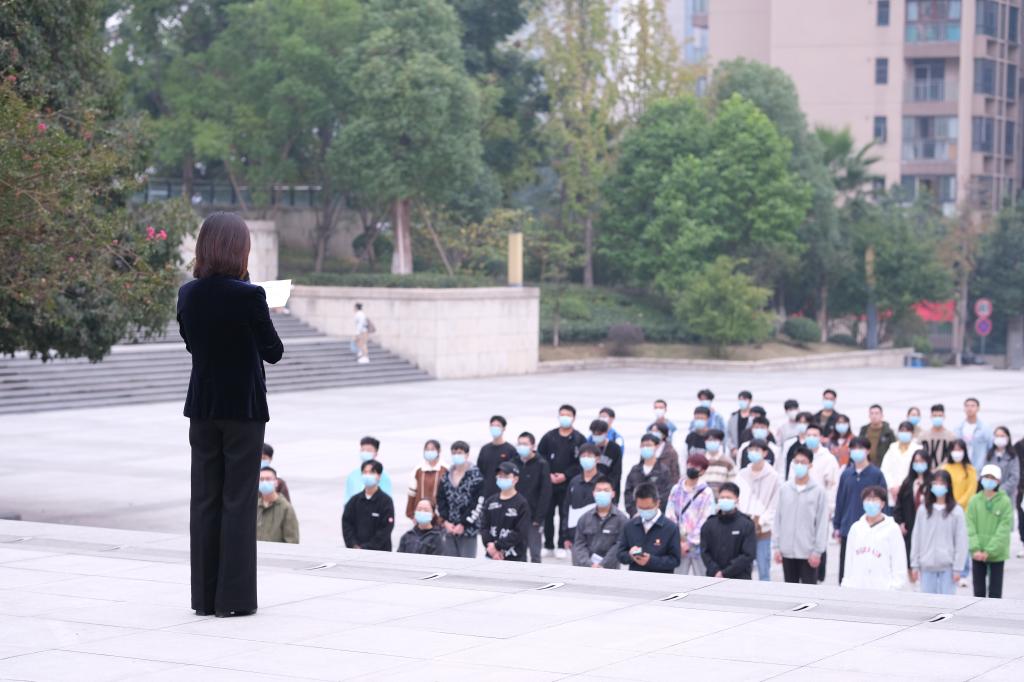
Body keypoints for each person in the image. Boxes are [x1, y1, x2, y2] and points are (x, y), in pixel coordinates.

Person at [178, 212, 284, 618]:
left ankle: (204, 598)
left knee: (204, 499)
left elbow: (192, 345)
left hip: (203, 407)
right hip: (243, 409)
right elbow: (273, 352)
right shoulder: (250, 296)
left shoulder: (188, 294)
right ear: (240, 250)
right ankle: (233, 599)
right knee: (238, 501)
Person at [833, 437, 888, 584]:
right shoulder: (846, 474)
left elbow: (884, 502)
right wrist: (837, 525)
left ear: (868, 451)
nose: (857, 452)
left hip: (872, 530)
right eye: (854, 448)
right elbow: (840, 500)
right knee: (847, 568)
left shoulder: (876, 474)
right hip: (848, 528)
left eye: (860, 448)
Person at [773, 447, 829, 584]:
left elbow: (822, 523)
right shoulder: (785, 489)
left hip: (808, 552)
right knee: (790, 590)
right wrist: (777, 547)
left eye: (803, 462)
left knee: (808, 591)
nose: (799, 465)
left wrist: (818, 551)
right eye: (796, 462)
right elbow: (778, 519)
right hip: (787, 551)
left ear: (810, 465)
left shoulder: (818, 491)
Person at [537, 405, 586, 559]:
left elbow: (580, 463)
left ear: (574, 417)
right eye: (562, 414)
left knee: (565, 514)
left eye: (568, 415)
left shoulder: (579, 439)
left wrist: (566, 475)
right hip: (550, 483)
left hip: (568, 484)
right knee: (548, 514)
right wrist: (548, 474)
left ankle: (561, 544)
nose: (565, 417)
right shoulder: (549, 437)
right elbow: (540, 457)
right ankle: (548, 544)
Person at [910, 469, 967, 595]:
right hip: (926, 566)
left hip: (948, 568)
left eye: (942, 483)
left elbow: (961, 540)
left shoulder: (956, 511)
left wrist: (958, 568)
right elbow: (916, 537)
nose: (938, 486)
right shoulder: (923, 510)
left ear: (948, 486)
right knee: (928, 603)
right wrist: (914, 564)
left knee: (947, 603)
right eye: (935, 483)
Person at [841, 486, 908, 591]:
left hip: (883, 589)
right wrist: (847, 584)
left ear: (882, 504)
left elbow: (899, 560)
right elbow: (849, 560)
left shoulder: (892, 529)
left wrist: (895, 587)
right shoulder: (856, 528)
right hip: (857, 588)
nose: (871, 503)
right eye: (868, 500)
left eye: (875, 500)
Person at [967, 465, 1014, 598]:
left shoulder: (1005, 502)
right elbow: (969, 526)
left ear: (998, 481)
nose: (988, 480)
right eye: (986, 477)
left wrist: (989, 551)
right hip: (977, 553)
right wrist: (975, 548)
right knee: (978, 592)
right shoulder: (974, 501)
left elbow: (1003, 529)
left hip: (996, 554)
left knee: (995, 593)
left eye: (992, 478)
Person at [736, 439, 780, 581]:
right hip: (742, 528)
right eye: (751, 450)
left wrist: (761, 521)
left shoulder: (773, 476)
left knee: (763, 569)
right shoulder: (741, 474)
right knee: (742, 568)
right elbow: (737, 499)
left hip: (763, 530)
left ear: (765, 453)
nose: (753, 453)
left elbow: (775, 505)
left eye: (757, 450)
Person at [666, 454, 716, 576]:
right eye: (690, 464)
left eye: (696, 466)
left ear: (702, 471)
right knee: (677, 578)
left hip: (698, 544)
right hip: (678, 544)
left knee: (702, 578)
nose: (691, 468)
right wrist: (678, 540)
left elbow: (706, 519)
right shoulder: (676, 489)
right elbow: (670, 513)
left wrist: (690, 542)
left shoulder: (706, 492)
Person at [616, 483, 682, 573]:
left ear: (657, 503)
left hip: (661, 578)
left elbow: (675, 560)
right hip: (635, 577)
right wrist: (630, 556)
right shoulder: (630, 526)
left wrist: (651, 560)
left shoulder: (671, 528)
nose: (644, 511)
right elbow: (620, 554)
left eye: (648, 508)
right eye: (640, 508)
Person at [436, 441, 484, 558]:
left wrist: (463, 524)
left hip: (468, 529)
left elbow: (478, 503)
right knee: (450, 562)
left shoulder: (476, 476)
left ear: (467, 454)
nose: (456, 455)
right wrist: (445, 521)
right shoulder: (446, 476)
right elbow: (441, 499)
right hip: (449, 528)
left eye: (459, 452)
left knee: (467, 562)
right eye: (454, 453)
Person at [700, 483, 756, 579]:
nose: (725, 500)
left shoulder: (746, 524)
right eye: (722, 497)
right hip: (714, 577)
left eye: (729, 498)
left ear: (737, 500)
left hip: (740, 578)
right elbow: (704, 551)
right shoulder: (709, 524)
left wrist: (725, 573)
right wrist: (715, 570)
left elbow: (748, 554)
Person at [942, 438, 977, 587]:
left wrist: (958, 504)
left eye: (960, 449)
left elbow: (971, 490)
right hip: (947, 509)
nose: (957, 453)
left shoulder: (970, 469)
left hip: (964, 510)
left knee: (963, 541)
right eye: (954, 449)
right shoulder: (945, 468)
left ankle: (963, 572)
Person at [572, 477, 628, 569]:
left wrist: (603, 565)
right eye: (598, 490)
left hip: (611, 570)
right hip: (586, 568)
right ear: (593, 493)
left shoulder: (622, 519)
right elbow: (579, 544)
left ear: (613, 494)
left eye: (606, 490)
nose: (602, 493)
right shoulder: (584, 519)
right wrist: (589, 564)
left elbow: (619, 545)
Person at [481, 462, 532, 562]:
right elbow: (484, 527)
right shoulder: (490, 501)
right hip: (491, 555)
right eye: (500, 476)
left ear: (515, 479)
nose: (502, 478)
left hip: (515, 557)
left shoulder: (522, 503)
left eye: (506, 476)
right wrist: (491, 546)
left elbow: (520, 532)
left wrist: (498, 546)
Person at [341, 460, 395, 552]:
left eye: (372, 472)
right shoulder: (354, 501)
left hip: (380, 552)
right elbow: (346, 523)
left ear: (379, 476)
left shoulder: (386, 501)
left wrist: (367, 548)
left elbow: (386, 528)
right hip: (355, 552)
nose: (368, 475)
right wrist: (353, 545)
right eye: (365, 472)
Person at [516, 432, 552, 563]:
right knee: (519, 552)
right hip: (517, 516)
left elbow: (546, 492)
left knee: (535, 553)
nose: (522, 446)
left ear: (533, 446)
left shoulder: (541, 464)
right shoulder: (514, 463)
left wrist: (539, 517)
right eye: (520, 444)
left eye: (525, 444)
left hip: (534, 517)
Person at [892, 450, 931, 563]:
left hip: (928, 527)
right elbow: (899, 505)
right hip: (910, 527)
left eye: (922, 461)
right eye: (916, 461)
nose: (919, 464)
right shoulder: (907, 482)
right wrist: (900, 522)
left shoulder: (933, 482)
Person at [561, 444, 603, 550]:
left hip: (597, 536)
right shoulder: (574, 482)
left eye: (589, 456)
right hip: (575, 535)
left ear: (597, 459)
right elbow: (566, 509)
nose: (586, 459)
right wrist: (565, 536)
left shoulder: (603, 482)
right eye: (583, 456)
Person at [624, 434, 672, 516]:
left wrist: (653, 511)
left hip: (656, 515)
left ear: (656, 446)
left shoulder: (663, 471)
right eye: (643, 445)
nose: (645, 448)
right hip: (636, 515)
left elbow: (666, 494)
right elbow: (628, 493)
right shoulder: (635, 470)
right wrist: (635, 512)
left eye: (649, 445)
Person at [477, 415, 521, 500]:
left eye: (498, 426)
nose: (495, 428)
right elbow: (480, 472)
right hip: (487, 493)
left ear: (504, 428)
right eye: (492, 426)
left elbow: (515, 473)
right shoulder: (484, 449)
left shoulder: (510, 450)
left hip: (504, 493)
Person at [880, 421, 921, 506]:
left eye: (907, 431)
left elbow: (918, 471)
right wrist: (892, 486)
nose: (904, 433)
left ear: (912, 434)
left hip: (910, 489)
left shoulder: (918, 449)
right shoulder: (892, 448)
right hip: (892, 491)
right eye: (902, 431)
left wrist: (902, 487)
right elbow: (885, 469)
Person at [344, 437, 393, 503]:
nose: (365, 453)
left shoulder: (383, 476)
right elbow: (347, 497)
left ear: (376, 453)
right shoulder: (352, 475)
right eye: (362, 450)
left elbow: (387, 499)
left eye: (368, 450)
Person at [406, 439, 447, 520]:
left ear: (439, 451)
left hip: (440, 515)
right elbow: (412, 493)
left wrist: (445, 517)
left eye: (432, 449)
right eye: (427, 449)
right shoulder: (418, 469)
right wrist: (411, 514)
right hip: (421, 514)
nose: (429, 452)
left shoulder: (445, 469)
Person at [256, 467, 299, 544]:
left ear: (276, 482)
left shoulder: (285, 508)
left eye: (268, 479)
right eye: (261, 479)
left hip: (275, 551)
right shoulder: (254, 507)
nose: (264, 482)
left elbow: (292, 540)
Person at [985, 426, 1020, 508]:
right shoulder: (989, 455)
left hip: (1007, 496)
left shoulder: (1013, 456)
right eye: (997, 436)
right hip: (990, 496)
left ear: (1008, 438)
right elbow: (984, 475)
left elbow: (1014, 478)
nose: (999, 438)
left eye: (1002, 436)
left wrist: (1000, 490)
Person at [589, 419, 623, 500]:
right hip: (591, 488)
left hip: (609, 488)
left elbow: (616, 472)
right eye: (594, 434)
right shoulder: (589, 447)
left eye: (599, 434)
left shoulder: (615, 448)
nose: (596, 436)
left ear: (606, 432)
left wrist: (608, 487)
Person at [956, 397, 993, 470]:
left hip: (978, 468)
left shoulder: (985, 429)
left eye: (973, 406)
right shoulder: (958, 428)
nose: (969, 408)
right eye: (967, 406)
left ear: (978, 408)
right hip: (961, 467)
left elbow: (991, 448)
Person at [702, 428, 737, 494]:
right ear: (705, 442)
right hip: (703, 496)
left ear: (720, 442)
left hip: (721, 497)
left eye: (714, 440)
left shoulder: (728, 461)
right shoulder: (700, 460)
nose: (711, 442)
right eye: (709, 440)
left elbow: (732, 482)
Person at [921, 404, 956, 469]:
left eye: (940, 416)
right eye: (935, 416)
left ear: (944, 417)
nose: (937, 418)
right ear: (931, 416)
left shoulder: (951, 436)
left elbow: (951, 456)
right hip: (926, 471)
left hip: (945, 471)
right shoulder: (923, 436)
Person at [651, 423, 681, 488]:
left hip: (665, 486)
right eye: (652, 431)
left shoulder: (671, 452)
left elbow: (675, 473)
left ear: (663, 434)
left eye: (656, 431)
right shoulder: (648, 449)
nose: (653, 433)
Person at [726, 390, 754, 456]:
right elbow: (728, 434)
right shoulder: (733, 416)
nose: (742, 402)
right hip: (734, 452)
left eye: (744, 399)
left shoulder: (754, 417)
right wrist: (732, 448)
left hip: (750, 451)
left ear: (750, 401)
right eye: (740, 400)